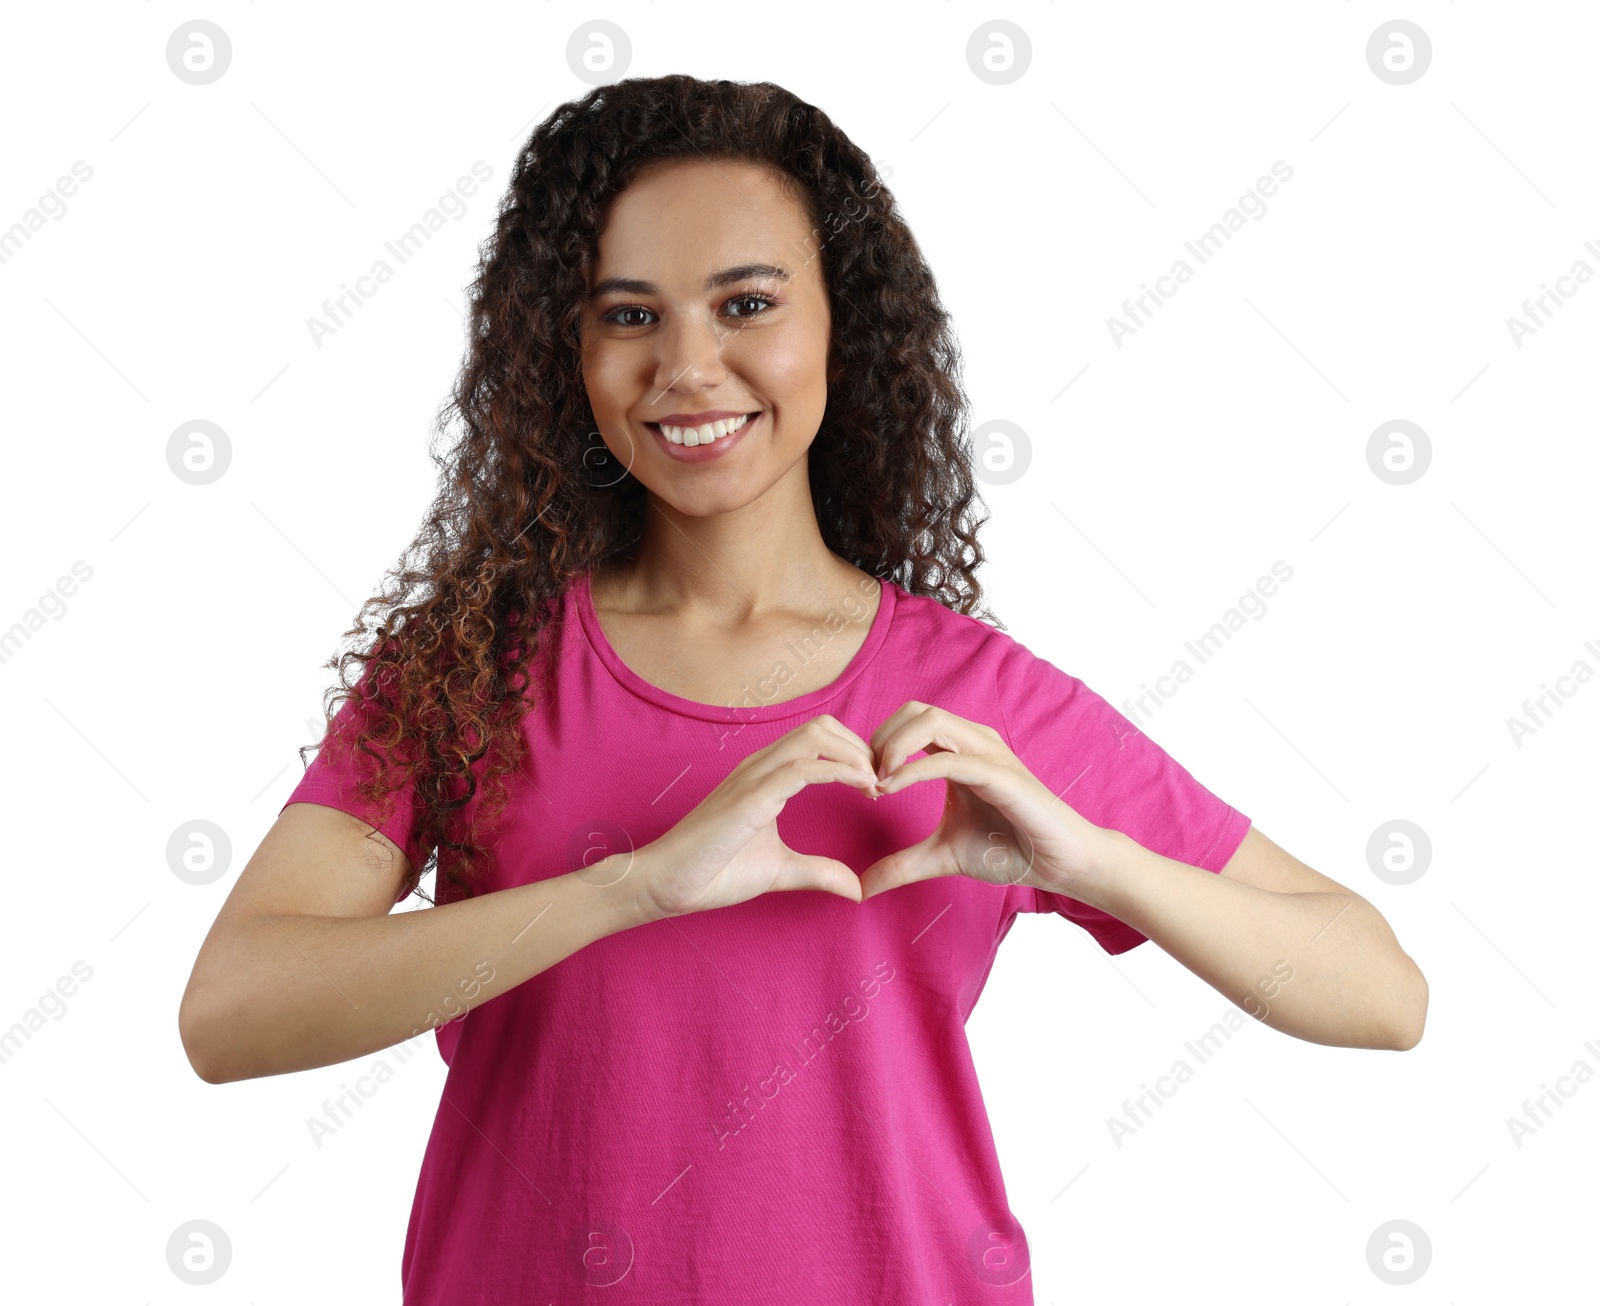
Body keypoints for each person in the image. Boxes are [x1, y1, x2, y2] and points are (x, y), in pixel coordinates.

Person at [178, 74, 1427, 1304]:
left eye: (746, 303)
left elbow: (1380, 991)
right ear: (564, 348)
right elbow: (232, 1012)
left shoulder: (970, 697)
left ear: (841, 326)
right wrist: (631, 886)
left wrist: (1093, 860)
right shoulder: (472, 668)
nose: (686, 364)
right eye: (628, 314)